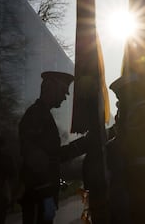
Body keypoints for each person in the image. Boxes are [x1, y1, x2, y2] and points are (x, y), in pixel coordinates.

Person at [18, 71, 89, 224]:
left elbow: (54, 155)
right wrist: (45, 193)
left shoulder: (42, 115)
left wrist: (85, 144)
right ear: (51, 89)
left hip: (40, 195)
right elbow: (35, 159)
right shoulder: (37, 116)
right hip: (38, 197)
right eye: (63, 92)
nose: (65, 97)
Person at [109, 73, 145, 224]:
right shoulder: (143, 111)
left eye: (120, 99)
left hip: (142, 184)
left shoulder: (141, 113)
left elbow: (124, 143)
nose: (119, 104)